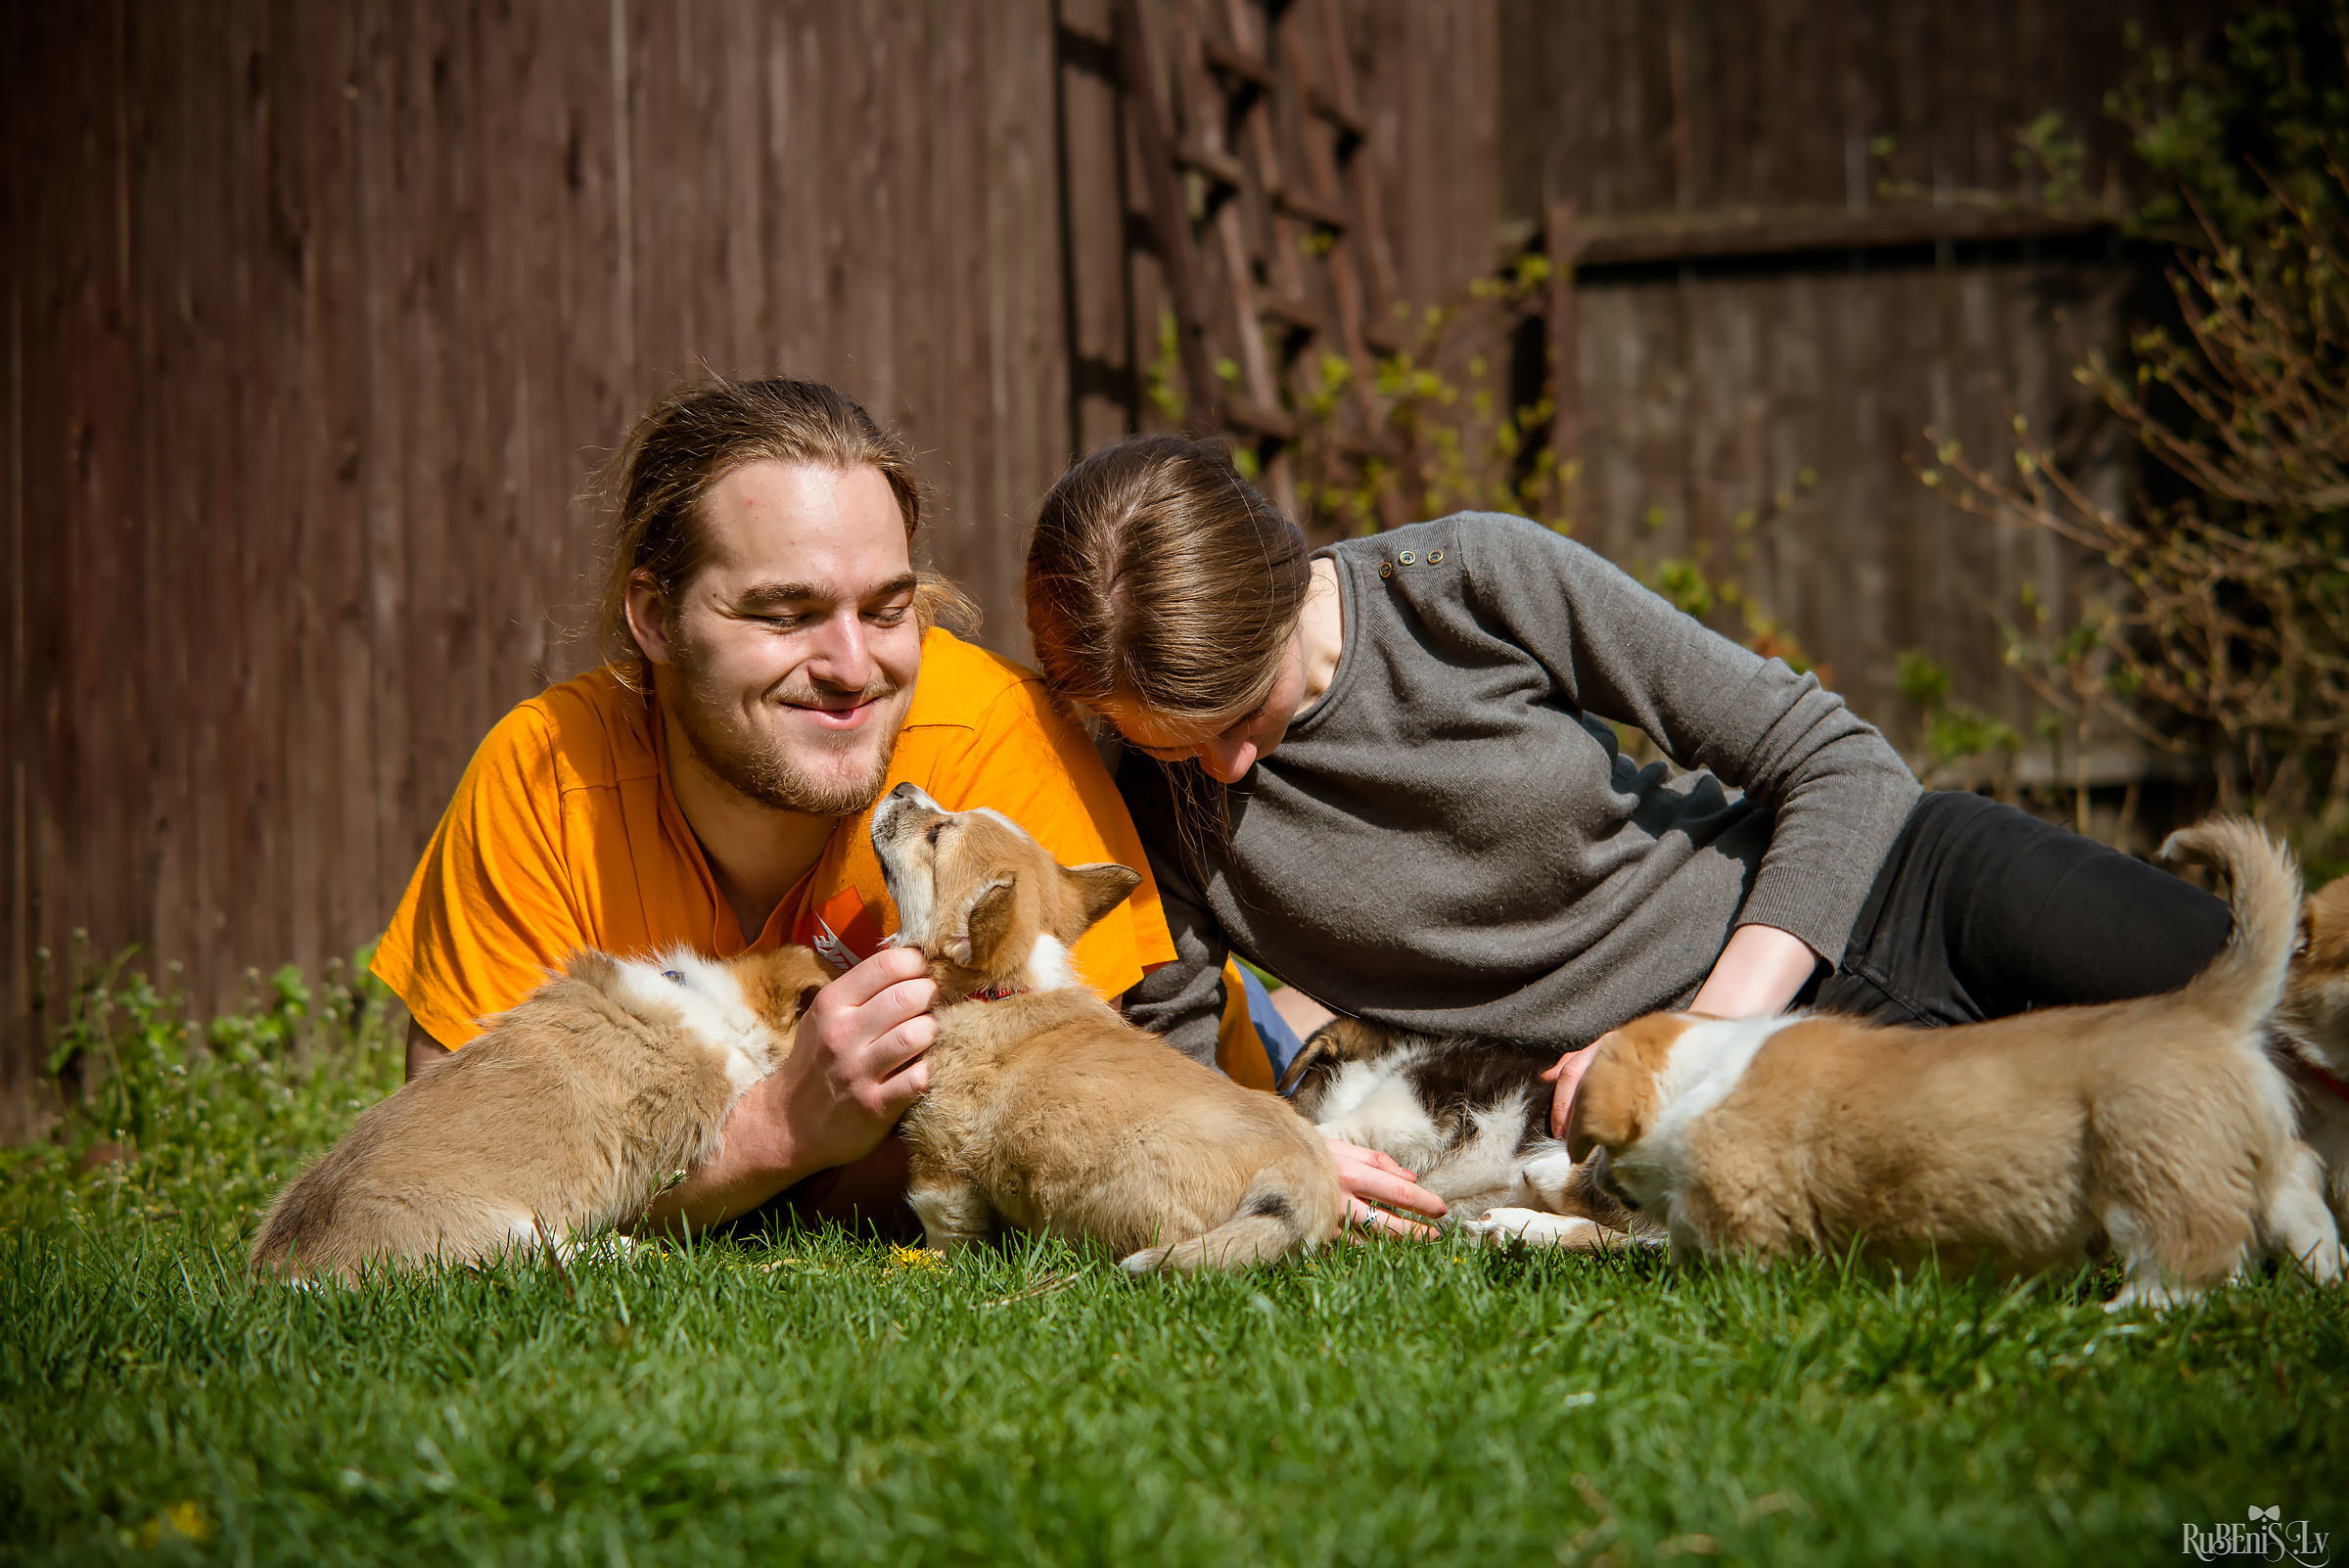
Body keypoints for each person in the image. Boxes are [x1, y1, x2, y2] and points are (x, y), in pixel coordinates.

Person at [1021, 434, 2234, 1168]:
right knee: (2168, 1146)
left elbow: (1838, 760)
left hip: (1908, 892)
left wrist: (1702, 1041)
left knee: (2272, 1007)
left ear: (1288, 582)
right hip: (1745, 1106)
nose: (1227, 774)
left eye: (1243, 717)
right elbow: (1169, 1084)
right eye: (1179, 750)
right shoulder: (1161, 806)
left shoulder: (1469, 583)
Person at [370, 378, 1193, 1238]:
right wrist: (776, 1133)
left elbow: (1077, 1118)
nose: (850, 666)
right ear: (655, 618)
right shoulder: (543, 773)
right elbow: (449, 1166)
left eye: (886, 610)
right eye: (785, 613)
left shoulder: (992, 738)